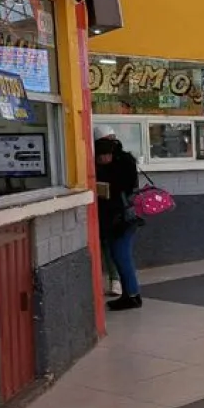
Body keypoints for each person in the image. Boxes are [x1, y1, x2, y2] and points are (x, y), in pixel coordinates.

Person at [95, 136, 142, 311]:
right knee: (119, 256)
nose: (101, 160)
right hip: (123, 218)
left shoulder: (119, 168)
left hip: (123, 218)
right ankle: (130, 294)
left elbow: (118, 189)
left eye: (104, 156)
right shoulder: (123, 164)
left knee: (122, 256)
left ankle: (132, 296)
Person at [93, 126, 122, 297]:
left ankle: (117, 279)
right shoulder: (94, 162)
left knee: (116, 247)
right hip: (102, 210)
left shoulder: (122, 160)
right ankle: (115, 279)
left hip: (117, 210)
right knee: (107, 246)